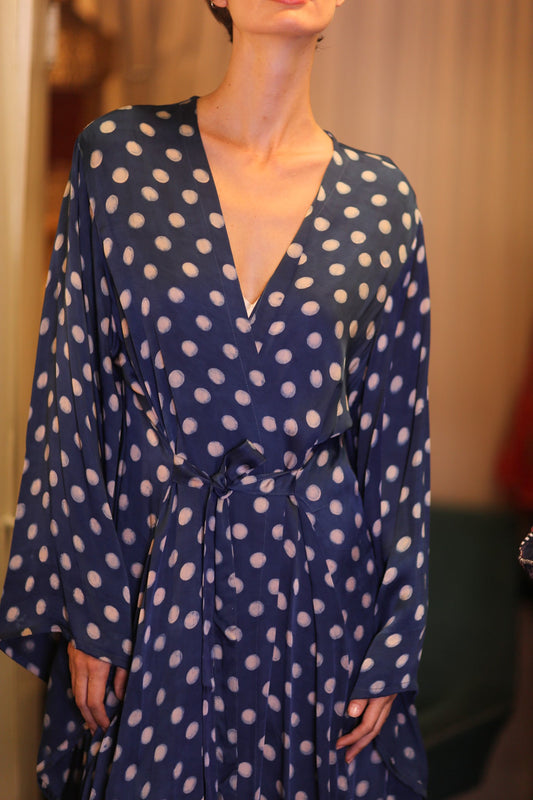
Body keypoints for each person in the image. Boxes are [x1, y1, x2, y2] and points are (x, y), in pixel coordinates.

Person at [0, 1, 431, 798]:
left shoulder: (382, 202)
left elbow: (396, 443)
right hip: (153, 580)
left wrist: (394, 635)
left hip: (319, 597)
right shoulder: (120, 159)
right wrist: (92, 602)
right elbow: (70, 394)